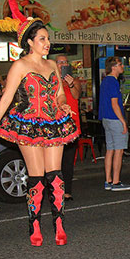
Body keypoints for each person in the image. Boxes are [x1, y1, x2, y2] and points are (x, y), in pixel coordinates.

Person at [0, 0, 80, 247]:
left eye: (48, 38)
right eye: (42, 38)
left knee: (55, 176)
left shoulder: (53, 65)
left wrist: (64, 106)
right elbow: (7, 97)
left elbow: (59, 96)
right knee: (35, 177)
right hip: (28, 124)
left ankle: (58, 223)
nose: (47, 42)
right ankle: (34, 224)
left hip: (54, 123)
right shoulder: (20, 66)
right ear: (30, 42)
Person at [99, 56, 130, 192]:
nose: (122, 67)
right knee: (119, 150)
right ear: (113, 67)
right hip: (114, 119)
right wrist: (123, 121)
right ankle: (116, 181)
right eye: (120, 64)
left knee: (110, 150)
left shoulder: (105, 81)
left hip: (106, 119)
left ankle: (108, 180)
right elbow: (115, 104)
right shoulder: (113, 82)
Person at [55, 54, 82, 201]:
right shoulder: (52, 81)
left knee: (68, 160)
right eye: (60, 63)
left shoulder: (74, 80)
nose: (62, 65)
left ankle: (67, 191)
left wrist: (71, 84)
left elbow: (77, 96)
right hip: (56, 125)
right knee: (55, 162)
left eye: (65, 62)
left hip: (71, 125)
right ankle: (55, 190)